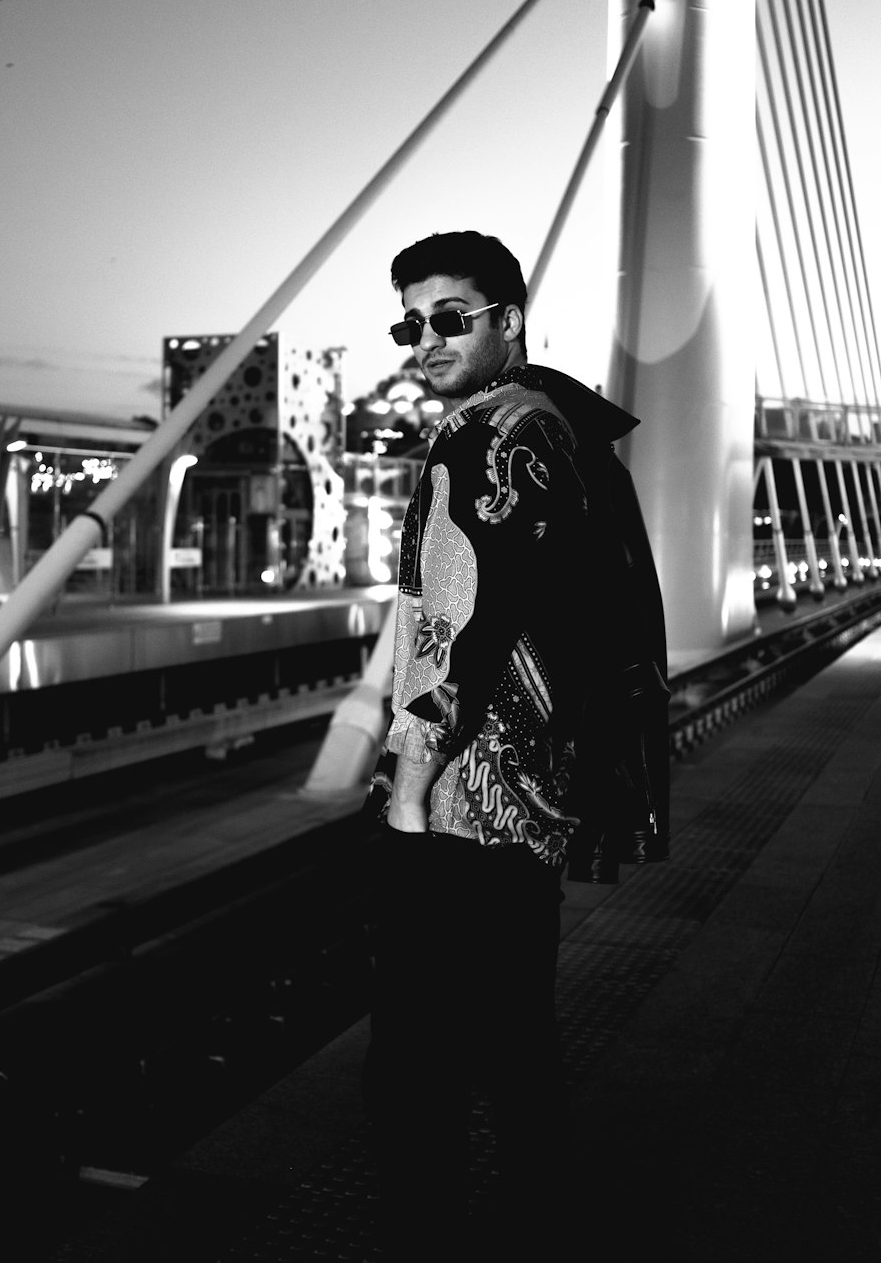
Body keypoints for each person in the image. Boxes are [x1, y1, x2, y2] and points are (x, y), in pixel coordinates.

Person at [362, 230, 668, 1255]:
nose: (426, 338)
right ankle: (544, 1212)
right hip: (530, 797)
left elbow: (459, 624)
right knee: (513, 1033)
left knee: (416, 1054)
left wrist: (408, 791)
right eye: (411, 321)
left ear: (507, 318)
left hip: (462, 801)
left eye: (452, 317)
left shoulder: (486, 437)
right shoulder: (558, 424)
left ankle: (429, 1230)